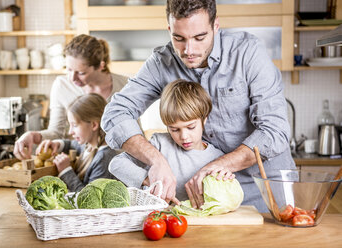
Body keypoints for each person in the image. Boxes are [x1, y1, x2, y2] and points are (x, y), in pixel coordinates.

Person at [101, 0, 295, 212]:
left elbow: (274, 131)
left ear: (216, 26)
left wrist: (217, 165)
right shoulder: (161, 63)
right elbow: (115, 114)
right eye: (179, 38)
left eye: (200, 37)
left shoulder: (247, 53)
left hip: (265, 185)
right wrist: (156, 161)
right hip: (204, 194)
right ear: (169, 29)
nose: (189, 50)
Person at [109, 79, 234, 201]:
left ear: (204, 120)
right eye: (174, 129)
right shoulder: (160, 144)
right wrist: (149, 179)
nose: (184, 136)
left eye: (191, 127)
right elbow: (116, 164)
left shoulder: (217, 158)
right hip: (159, 219)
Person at [14, 34, 128, 160]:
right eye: (68, 69)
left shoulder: (124, 85)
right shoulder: (62, 86)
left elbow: (133, 133)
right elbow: (56, 132)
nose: (72, 78)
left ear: (101, 66)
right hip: (82, 165)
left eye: (81, 72)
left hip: (121, 164)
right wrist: (33, 135)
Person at [36, 93, 117, 192]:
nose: (70, 132)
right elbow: (71, 144)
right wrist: (57, 144)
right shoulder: (87, 144)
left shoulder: (104, 158)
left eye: (74, 125)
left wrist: (66, 171)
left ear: (94, 125)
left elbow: (89, 201)